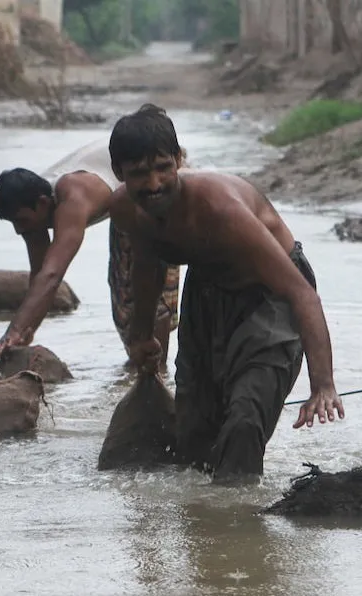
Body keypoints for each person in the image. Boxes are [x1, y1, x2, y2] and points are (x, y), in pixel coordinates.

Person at [108, 104, 345, 484]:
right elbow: (148, 266)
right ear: (119, 174)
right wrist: (140, 334)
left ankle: (238, 517)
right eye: (138, 174)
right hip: (206, 290)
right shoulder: (124, 209)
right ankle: (206, 527)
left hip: (270, 294)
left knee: (245, 417)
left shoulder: (219, 209)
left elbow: (302, 295)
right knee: (195, 429)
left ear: (179, 160)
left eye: (163, 168)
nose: (153, 184)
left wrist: (323, 385)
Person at [0, 139, 182, 372]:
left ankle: (156, 370)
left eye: (21, 220)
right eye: (13, 223)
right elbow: (40, 278)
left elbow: (53, 273)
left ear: (43, 203)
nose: (19, 229)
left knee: (146, 290)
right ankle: (137, 365)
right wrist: (23, 335)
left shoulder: (72, 197)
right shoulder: (31, 210)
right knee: (121, 295)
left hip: (148, 195)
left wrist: (14, 331)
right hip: (119, 201)